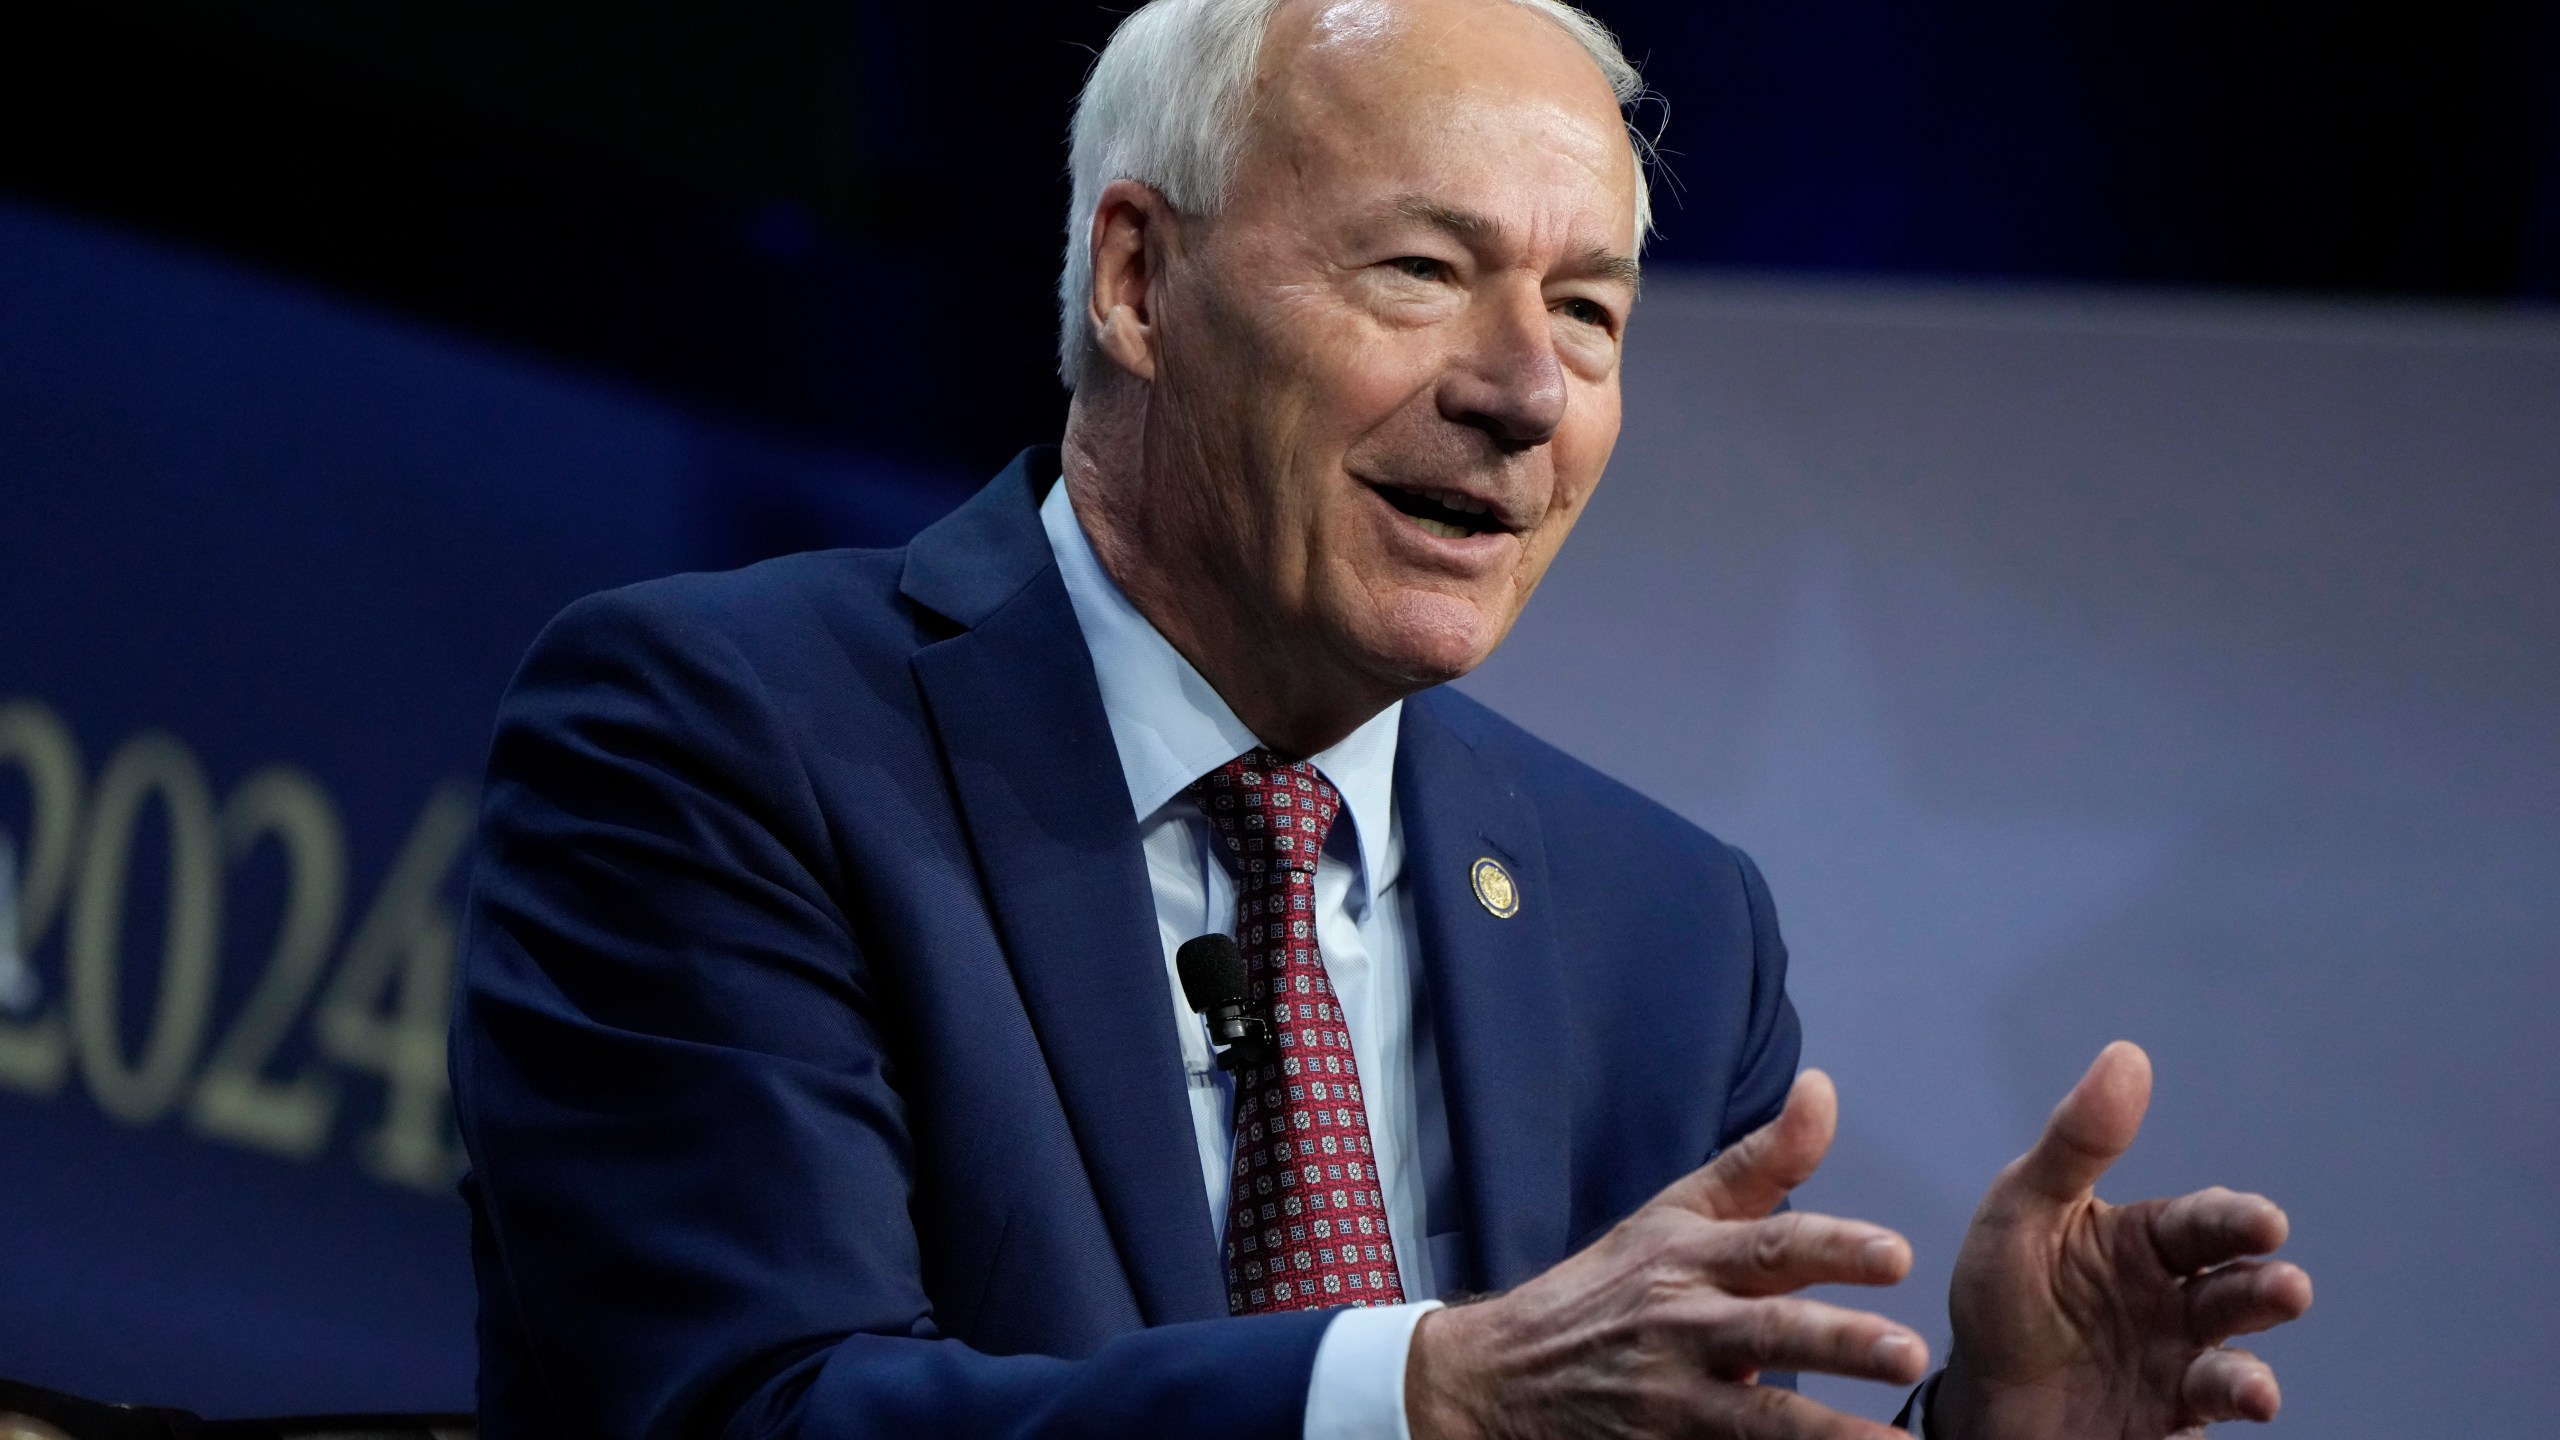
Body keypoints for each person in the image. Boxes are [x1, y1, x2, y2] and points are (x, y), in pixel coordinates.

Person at [452, 0, 2313, 1436]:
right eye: (1424, 272)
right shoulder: (725, 736)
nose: (1524, 391)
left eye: (1589, 312)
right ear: (1138, 281)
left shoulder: (1662, 934)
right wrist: (1417, 1399)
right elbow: (745, 1410)